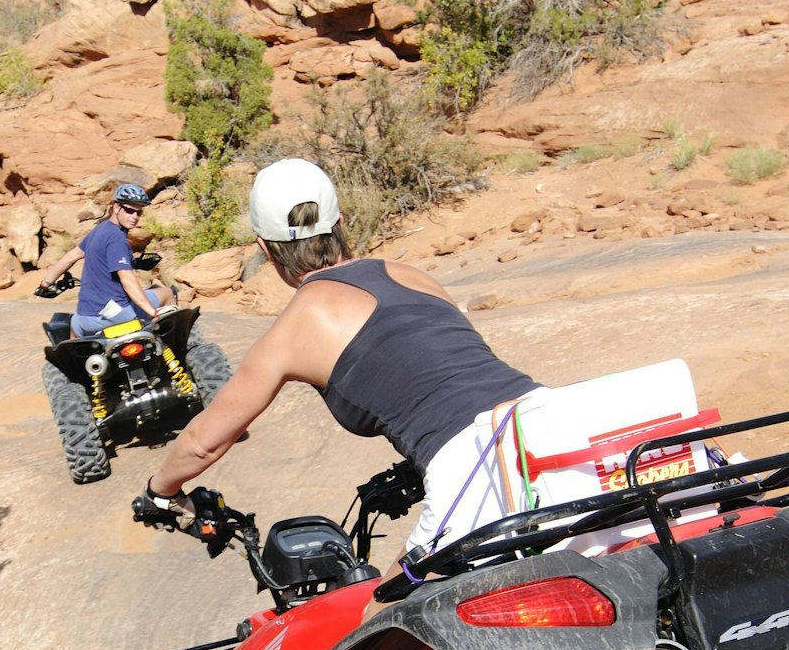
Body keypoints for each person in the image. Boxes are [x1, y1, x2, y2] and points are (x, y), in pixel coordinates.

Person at [137, 158, 555, 556]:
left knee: (386, 605)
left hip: (479, 466)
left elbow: (202, 445)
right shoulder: (410, 275)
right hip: (553, 418)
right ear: (340, 224)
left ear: (265, 248)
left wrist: (159, 492)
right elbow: (455, 374)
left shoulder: (295, 327)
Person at [39, 183, 164, 336]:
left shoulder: (100, 229)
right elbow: (127, 279)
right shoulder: (117, 238)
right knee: (167, 294)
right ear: (116, 207)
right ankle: (176, 348)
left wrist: (46, 283)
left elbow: (71, 256)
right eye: (129, 210)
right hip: (115, 316)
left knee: (73, 336)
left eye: (139, 212)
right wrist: (152, 311)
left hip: (84, 319)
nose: (134, 217)